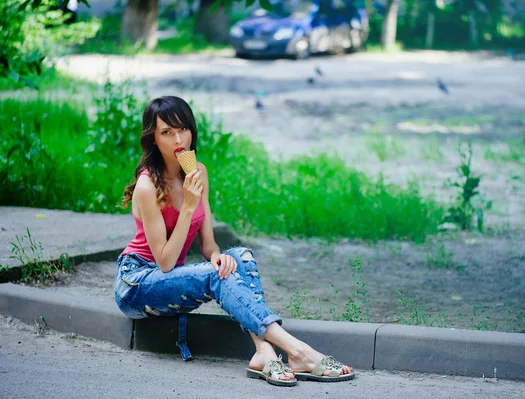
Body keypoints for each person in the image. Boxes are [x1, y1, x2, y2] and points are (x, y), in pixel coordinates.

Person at [114, 96, 354, 386]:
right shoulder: (146, 187)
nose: (178, 139)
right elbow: (164, 262)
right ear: (153, 139)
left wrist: (218, 257)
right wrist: (188, 206)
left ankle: (264, 352)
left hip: (172, 277)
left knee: (240, 257)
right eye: (167, 132)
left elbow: (207, 245)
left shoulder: (197, 172)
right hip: (138, 282)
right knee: (216, 276)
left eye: (183, 129)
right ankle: (299, 350)